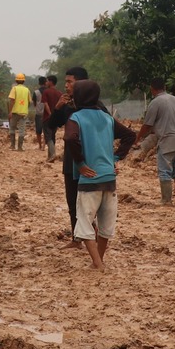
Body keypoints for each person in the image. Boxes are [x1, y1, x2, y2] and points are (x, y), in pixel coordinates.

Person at [63, 79, 135, 270]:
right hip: (109, 178)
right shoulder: (107, 118)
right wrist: (116, 158)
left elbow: (70, 137)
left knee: (85, 222)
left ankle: (97, 263)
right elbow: (130, 135)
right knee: (105, 225)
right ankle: (99, 261)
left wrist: (79, 163)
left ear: (78, 97)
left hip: (89, 179)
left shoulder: (76, 118)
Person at [43, 66, 89, 240]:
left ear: (81, 83)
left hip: (90, 159)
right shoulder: (66, 104)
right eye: (66, 82)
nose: (66, 86)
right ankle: (77, 238)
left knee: (90, 202)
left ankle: (92, 237)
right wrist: (57, 108)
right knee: (72, 201)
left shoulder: (93, 105)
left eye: (70, 82)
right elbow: (51, 124)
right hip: (71, 160)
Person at [135, 78, 175, 206]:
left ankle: (166, 200)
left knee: (164, 170)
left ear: (152, 89)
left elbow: (147, 125)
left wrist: (138, 138)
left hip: (167, 141)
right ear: (164, 87)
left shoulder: (155, 102)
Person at [40, 75, 63, 162]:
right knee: (53, 136)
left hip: (48, 118)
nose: (46, 83)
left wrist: (50, 114)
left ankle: (52, 155)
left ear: (51, 82)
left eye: (47, 81)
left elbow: (45, 104)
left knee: (48, 137)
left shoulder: (46, 92)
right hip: (56, 118)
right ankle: (50, 157)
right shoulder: (59, 93)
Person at [7, 73, 32, 151]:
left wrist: (10, 111)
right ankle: (20, 147)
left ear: (16, 80)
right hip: (23, 113)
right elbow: (29, 102)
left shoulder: (14, 89)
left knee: (12, 128)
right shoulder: (27, 90)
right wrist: (25, 109)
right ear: (23, 81)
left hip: (15, 112)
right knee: (22, 130)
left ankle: (12, 145)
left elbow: (12, 100)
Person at [33, 76, 47, 149]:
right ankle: (44, 145)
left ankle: (40, 145)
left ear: (39, 83)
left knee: (38, 130)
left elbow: (34, 103)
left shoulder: (36, 92)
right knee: (46, 130)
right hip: (47, 113)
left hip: (38, 113)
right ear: (46, 82)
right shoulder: (48, 91)